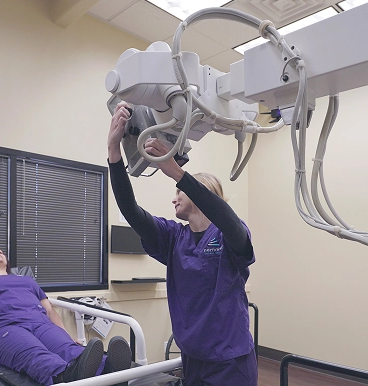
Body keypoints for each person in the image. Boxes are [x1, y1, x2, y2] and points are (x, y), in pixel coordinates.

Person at [107, 101, 258, 385]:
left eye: (180, 192)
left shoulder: (228, 235)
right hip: (192, 359)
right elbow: (131, 210)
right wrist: (114, 152)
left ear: (202, 193)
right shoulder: (174, 237)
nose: (174, 197)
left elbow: (228, 220)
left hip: (229, 361)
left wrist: (177, 172)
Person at [0, 245, 132, 386]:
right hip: (4, 328)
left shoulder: (27, 281)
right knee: (35, 354)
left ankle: (109, 367)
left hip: (41, 324)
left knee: (71, 350)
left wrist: (67, 336)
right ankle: (65, 375)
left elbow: (50, 311)